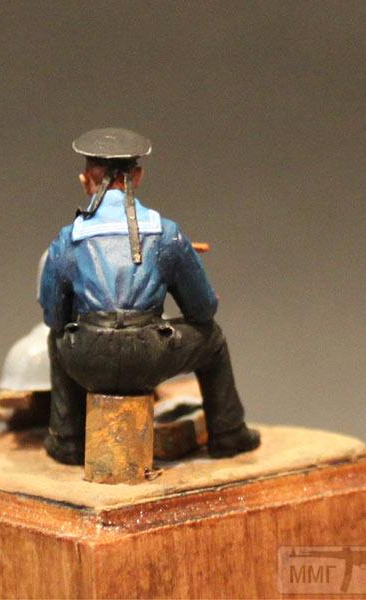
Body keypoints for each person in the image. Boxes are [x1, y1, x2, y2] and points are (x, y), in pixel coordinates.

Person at [39, 128, 260, 465]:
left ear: (86, 180)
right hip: (149, 356)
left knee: (58, 339)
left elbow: (53, 317)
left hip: (87, 360)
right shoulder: (167, 234)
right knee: (212, 339)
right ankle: (228, 434)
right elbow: (203, 310)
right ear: (138, 176)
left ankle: (67, 440)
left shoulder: (68, 239)